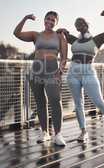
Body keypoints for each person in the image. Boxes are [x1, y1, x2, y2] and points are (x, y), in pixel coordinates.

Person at [57, 10, 104, 144]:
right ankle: (83, 131)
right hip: (73, 73)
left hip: (88, 72)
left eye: (82, 22)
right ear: (76, 27)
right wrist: (62, 30)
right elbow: (61, 33)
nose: (79, 24)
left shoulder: (96, 39)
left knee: (99, 102)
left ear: (87, 25)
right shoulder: (74, 40)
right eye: (77, 23)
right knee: (78, 104)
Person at [13, 11, 67, 146]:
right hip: (36, 71)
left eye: (53, 20)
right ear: (44, 20)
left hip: (52, 72)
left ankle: (58, 134)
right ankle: (45, 133)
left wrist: (59, 71)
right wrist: (25, 18)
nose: (50, 21)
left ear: (56, 22)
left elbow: (64, 57)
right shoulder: (36, 35)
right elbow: (17, 33)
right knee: (40, 103)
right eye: (48, 19)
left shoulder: (60, 36)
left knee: (55, 101)